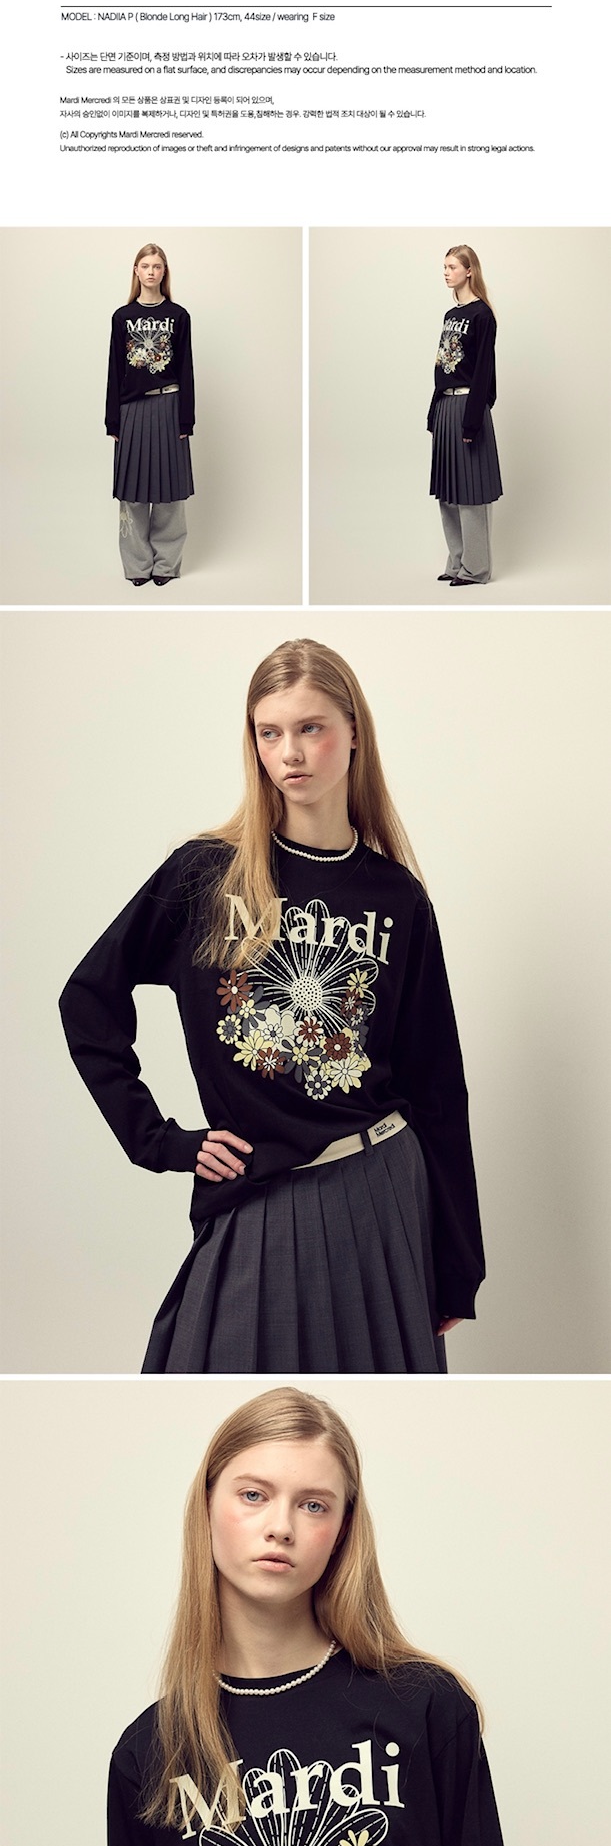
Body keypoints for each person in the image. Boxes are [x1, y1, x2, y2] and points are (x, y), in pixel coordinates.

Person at [103, 1376, 541, 1846]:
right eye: (253, 1495)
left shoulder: (422, 1709)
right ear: (206, 1506)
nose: (280, 1527)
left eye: (313, 1504)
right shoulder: (151, 1755)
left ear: (342, 1528)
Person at [59, 628, 485, 1372]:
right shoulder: (206, 874)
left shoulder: (397, 897)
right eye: (269, 733)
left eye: (311, 728)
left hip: (381, 1188)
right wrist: (160, 1141)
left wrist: (457, 1261)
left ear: (353, 734)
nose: (290, 753)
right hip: (256, 1194)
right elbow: (87, 998)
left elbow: (437, 1086)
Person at [105, 238, 195, 588]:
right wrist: (113, 419)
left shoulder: (179, 316)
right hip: (132, 410)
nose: (151, 272)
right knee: (133, 490)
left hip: (169, 405)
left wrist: (186, 418)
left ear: (164, 271)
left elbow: (186, 368)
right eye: (145, 266)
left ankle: (166, 565)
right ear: (136, 271)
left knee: (170, 491)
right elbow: (115, 370)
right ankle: (137, 566)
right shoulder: (122, 317)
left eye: (157, 266)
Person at [428, 244, 501, 588]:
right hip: (446, 405)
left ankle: (476, 568)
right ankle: (457, 563)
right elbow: (442, 366)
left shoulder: (482, 315)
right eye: (444, 267)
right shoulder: (449, 315)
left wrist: (473, 418)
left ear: (469, 270)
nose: (446, 273)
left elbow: (484, 370)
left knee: (471, 491)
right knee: (448, 490)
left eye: (452, 267)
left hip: (467, 406)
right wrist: (434, 409)